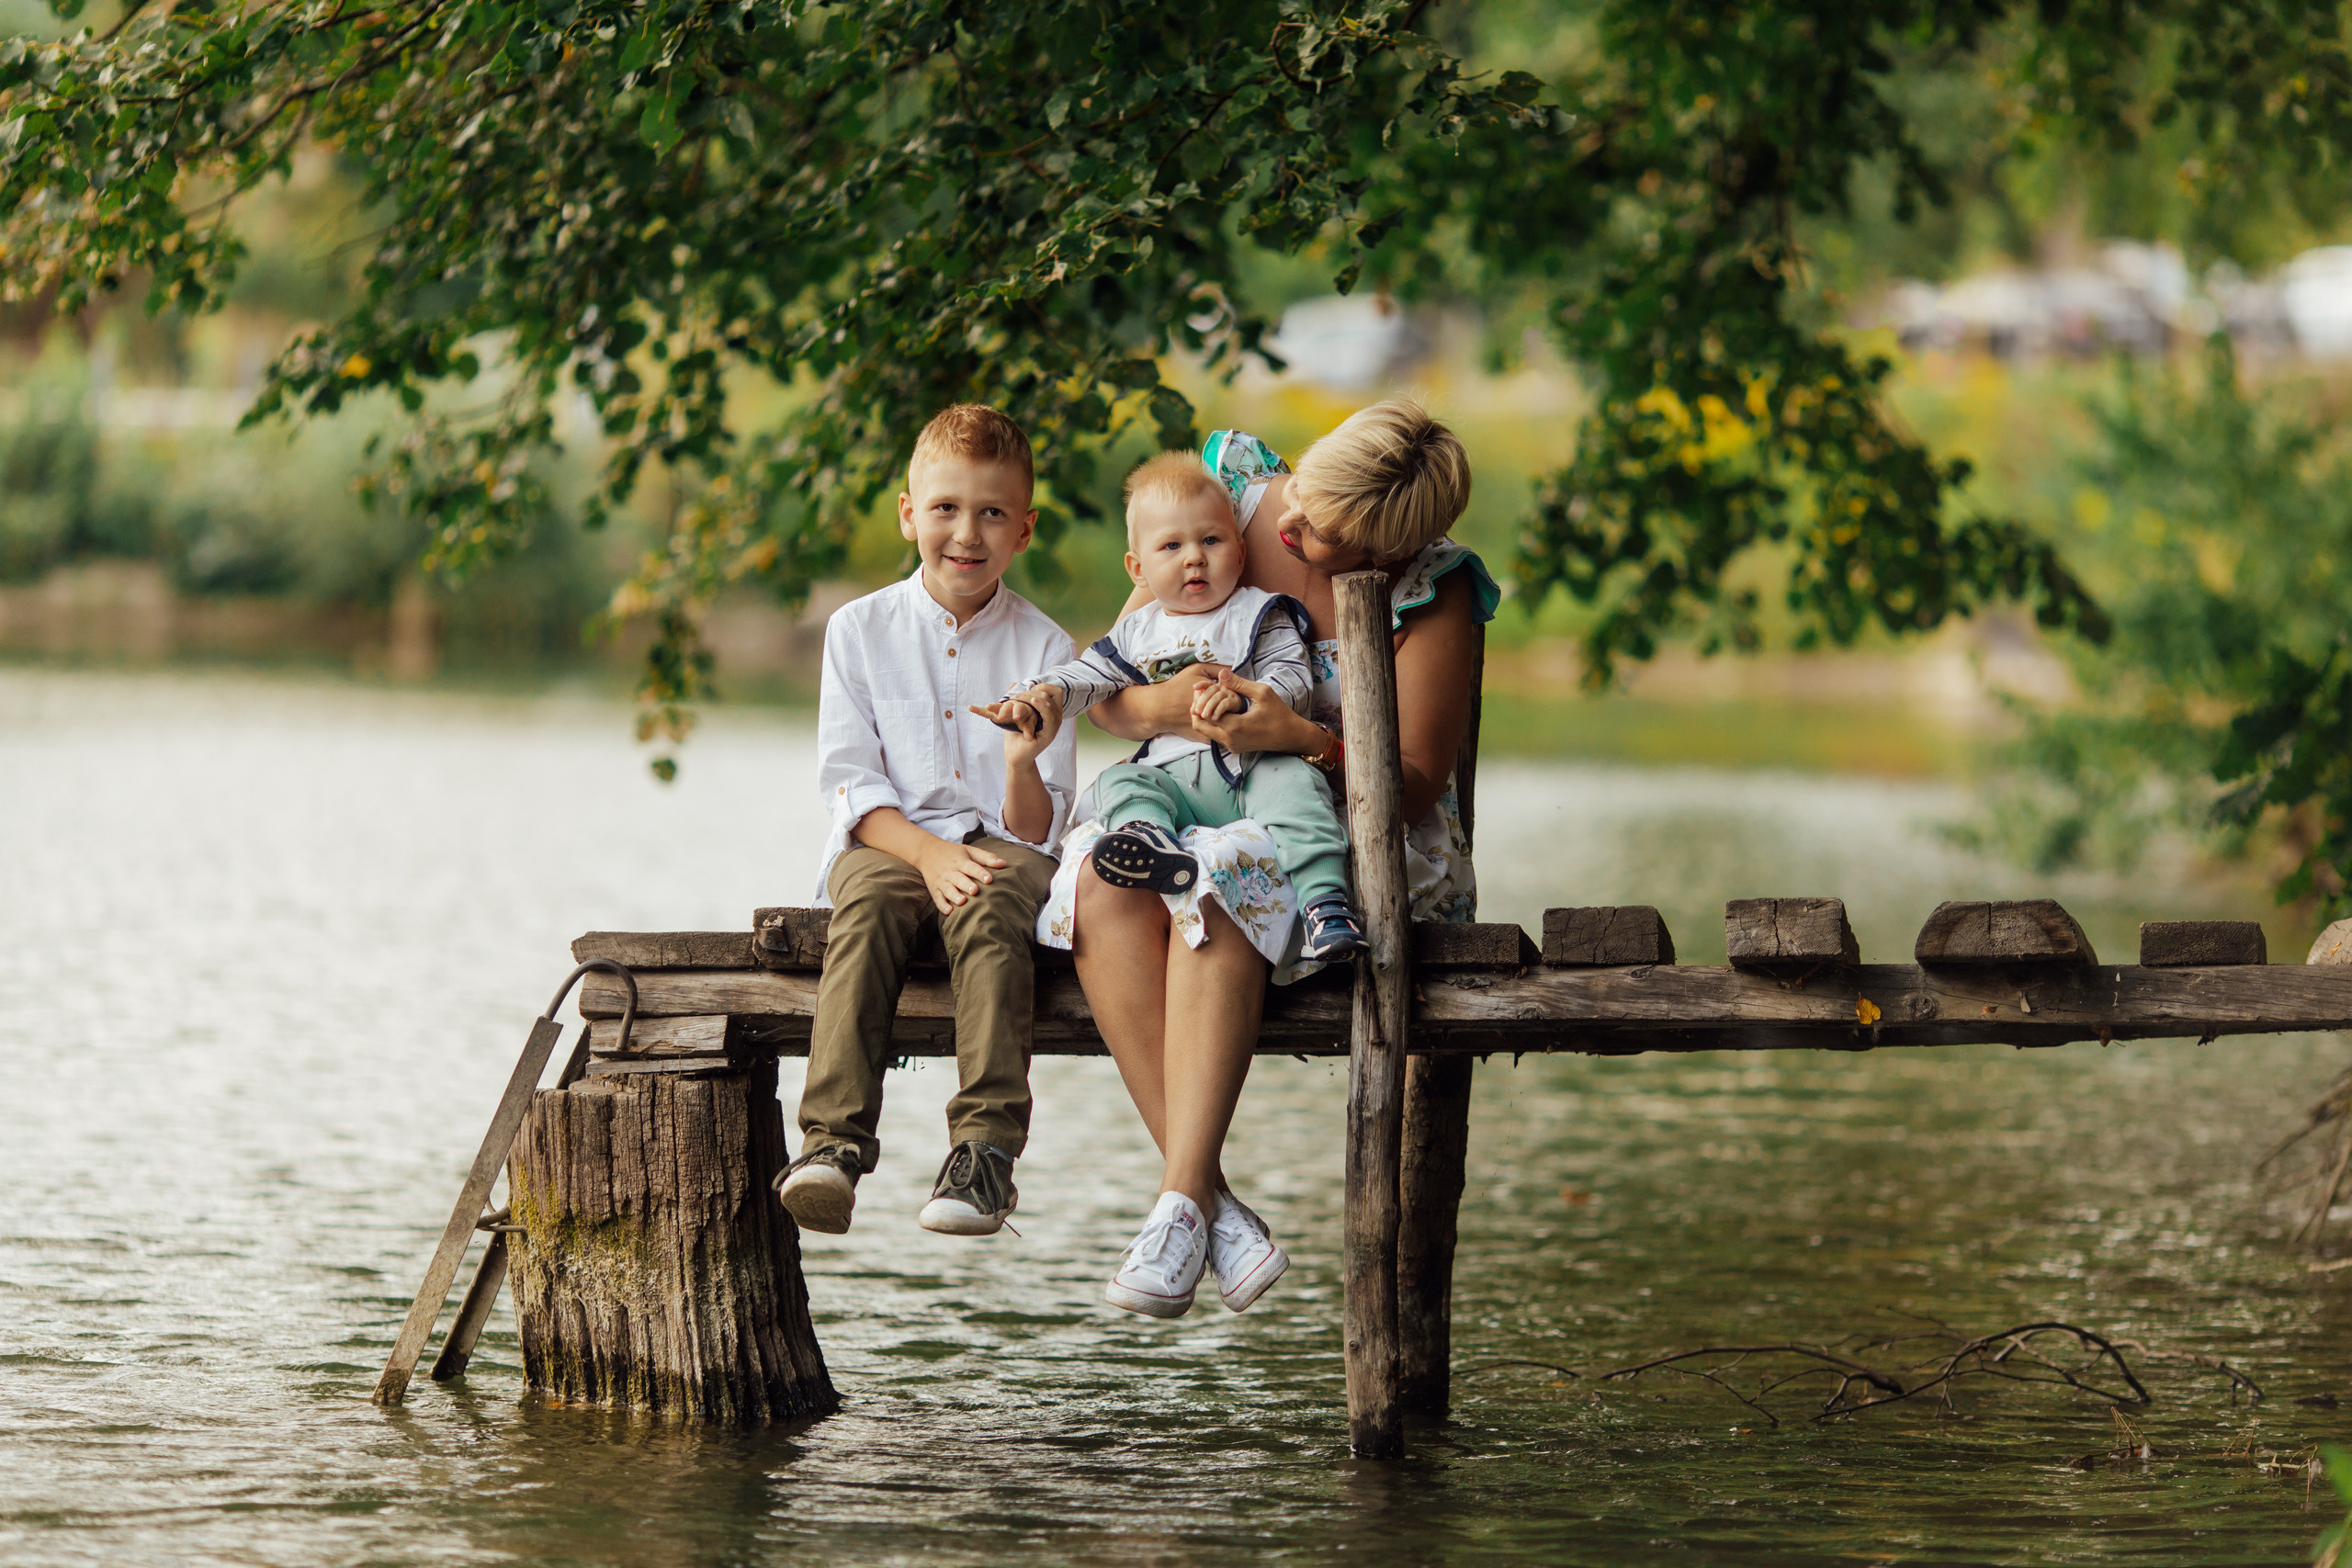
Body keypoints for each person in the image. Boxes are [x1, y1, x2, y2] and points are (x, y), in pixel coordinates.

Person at [1037, 400, 1498, 1318]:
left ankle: (1181, 1200)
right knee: (1104, 878)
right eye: (1304, 497)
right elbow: (1115, 695)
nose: (1292, 527)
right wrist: (1190, 707)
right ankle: (1206, 1204)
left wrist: (1299, 737)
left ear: (1392, 553)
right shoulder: (1227, 501)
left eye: (1327, 536)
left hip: (1345, 831)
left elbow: (1410, 786)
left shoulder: (1435, 591)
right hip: (1196, 786)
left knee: (1222, 874)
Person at [774, 403, 1079, 1240]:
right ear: (909, 514)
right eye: (946, 508)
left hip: (1003, 845)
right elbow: (850, 786)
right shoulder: (858, 630)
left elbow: (1039, 829)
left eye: (992, 513)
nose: (967, 533)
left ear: (1024, 529)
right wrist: (930, 854)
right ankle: (831, 1145)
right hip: (890, 839)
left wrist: (1020, 762)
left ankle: (984, 1152)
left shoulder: (1049, 651)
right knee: (868, 903)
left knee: (990, 904)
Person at [973, 451, 1366, 969]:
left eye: (1211, 541)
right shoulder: (1136, 632)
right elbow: (1088, 678)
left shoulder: (1259, 613)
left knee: (1299, 788)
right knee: (1117, 783)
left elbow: (1294, 681)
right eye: (1172, 546)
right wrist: (1038, 695)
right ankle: (1150, 840)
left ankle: (1325, 902)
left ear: (1240, 551)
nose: (1194, 558)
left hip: (1255, 769)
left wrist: (1245, 697)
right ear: (1139, 569)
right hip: (1175, 780)